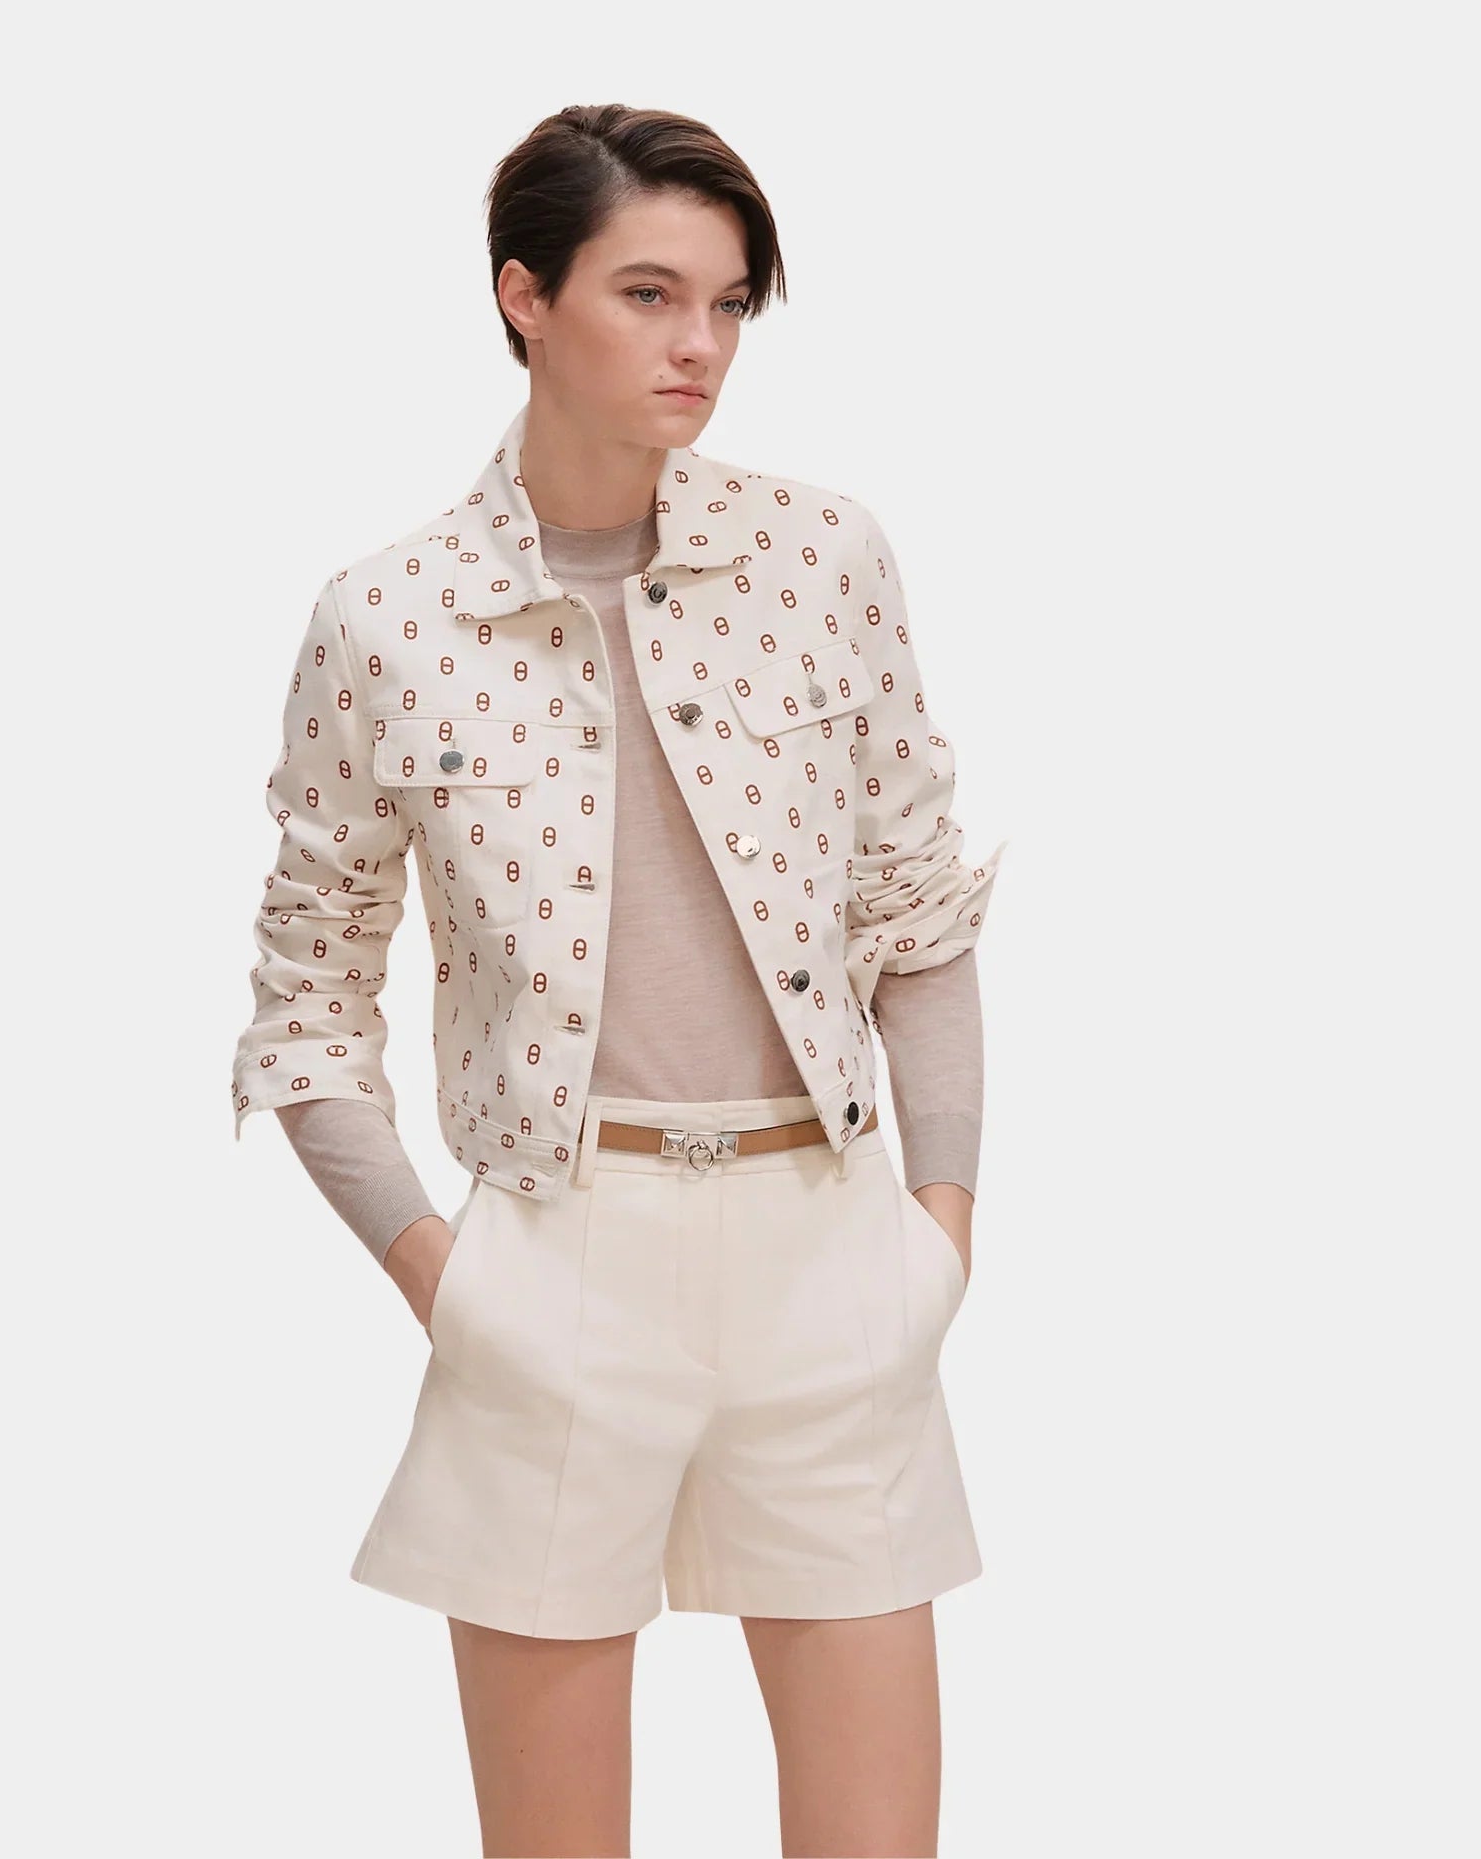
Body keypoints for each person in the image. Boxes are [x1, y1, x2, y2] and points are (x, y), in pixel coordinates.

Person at [230, 102, 1005, 1856]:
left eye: (728, 304)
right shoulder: (389, 617)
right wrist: (443, 1277)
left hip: (830, 1253)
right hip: (558, 1257)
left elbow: (917, 915)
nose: (697, 346)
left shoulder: (823, 555)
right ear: (525, 296)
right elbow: (307, 998)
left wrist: (939, 1231)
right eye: (648, 295)